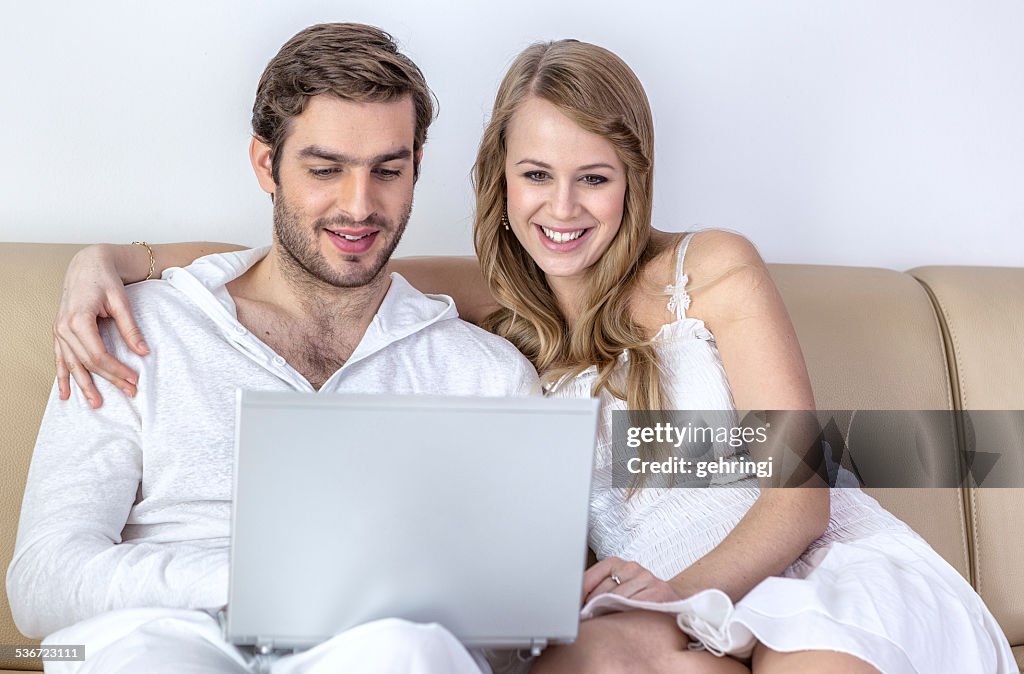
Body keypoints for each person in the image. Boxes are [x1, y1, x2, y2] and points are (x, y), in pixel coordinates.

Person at [47, 41, 1016, 674]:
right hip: (646, 591)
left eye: (594, 178)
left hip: (791, 553)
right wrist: (116, 259)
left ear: (634, 179)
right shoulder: (486, 304)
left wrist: (687, 589)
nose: (563, 209)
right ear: (496, 182)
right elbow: (318, 254)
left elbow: (797, 484)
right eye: (535, 176)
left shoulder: (706, 269)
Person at [7, 22, 539, 674]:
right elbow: (41, 580)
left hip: (373, 643)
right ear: (267, 164)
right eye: (325, 170)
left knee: (405, 652)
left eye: (388, 171)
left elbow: (515, 619)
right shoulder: (139, 328)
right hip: (169, 637)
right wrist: (258, 582)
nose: (359, 205)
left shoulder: (482, 375)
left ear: (416, 169)